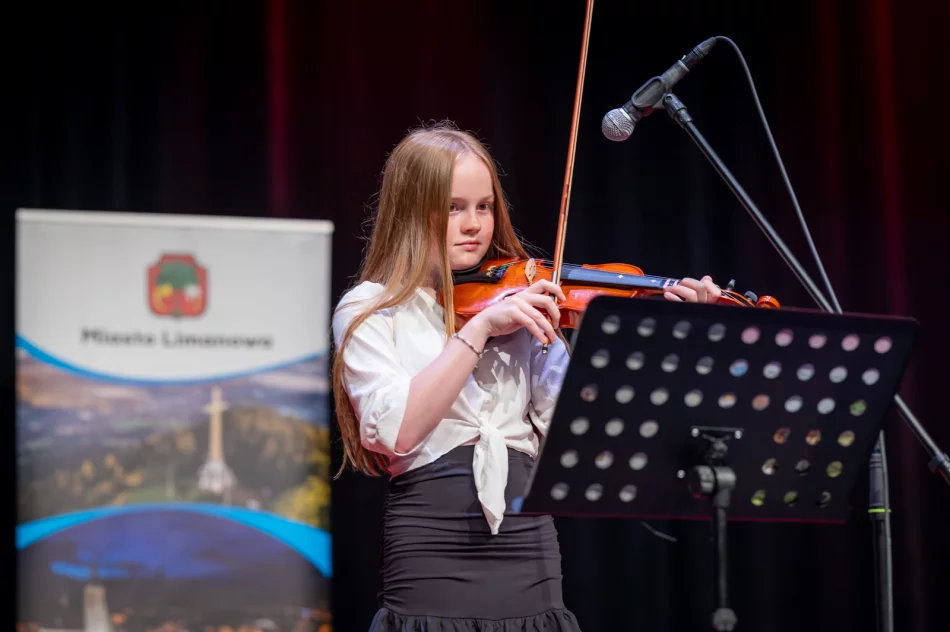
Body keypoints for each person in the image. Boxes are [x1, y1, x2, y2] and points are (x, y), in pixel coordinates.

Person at [331, 121, 723, 631]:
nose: (473, 224)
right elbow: (395, 432)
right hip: (431, 548)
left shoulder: (522, 301)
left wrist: (661, 338)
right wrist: (479, 331)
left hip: (529, 546)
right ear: (410, 210)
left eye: (484, 206)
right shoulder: (371, 309)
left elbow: (578, 431)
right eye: (453, 207)